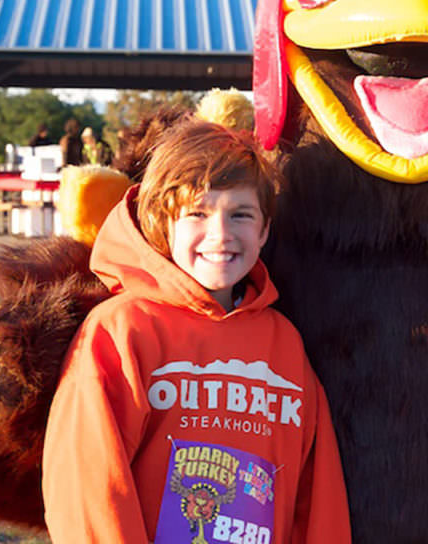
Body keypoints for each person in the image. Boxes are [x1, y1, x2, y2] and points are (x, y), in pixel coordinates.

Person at [41, 117, 352, 543]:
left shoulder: (284, 343)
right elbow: (88, 484)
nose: (220, 235)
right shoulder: (122, 330)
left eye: (240, 214)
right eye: (197, 213)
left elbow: (316, 493)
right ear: (161, 225)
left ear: (264, 230)